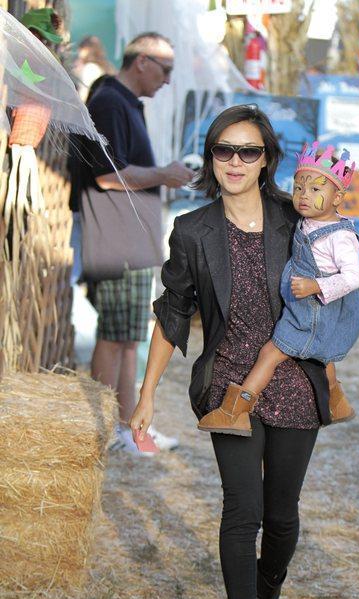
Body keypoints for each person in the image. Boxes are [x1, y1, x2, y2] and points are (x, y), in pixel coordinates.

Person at [130, 104, 333, 599]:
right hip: (229, 389)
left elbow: (341, 278)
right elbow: (173, 314)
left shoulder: (296, 222)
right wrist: (147, 395)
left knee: (282, 515)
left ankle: (269, 597)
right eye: (225, 150)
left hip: (293, 378)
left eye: (249, 151)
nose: (236, 162)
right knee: (241, 510)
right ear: (211, 157)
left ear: (267, 159)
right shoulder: (193, 230)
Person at [78, 32, 194, 454]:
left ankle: (127, 428)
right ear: (142, 61)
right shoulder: (109, 102)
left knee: (128, 338)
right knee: (115, 337)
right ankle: (103, 431)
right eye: (165, 70)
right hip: (115, 239)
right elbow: (108, 176)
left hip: (128, 239)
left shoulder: (122, 103)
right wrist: (163, 174)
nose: (167, 80)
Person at [197, 141, 359, 436]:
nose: (303, 196)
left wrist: (316, 285)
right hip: (305, 309)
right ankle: (337, 401)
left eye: (315, 190)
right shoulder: (308, 222)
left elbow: (354, 277)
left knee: (270, 354)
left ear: (338, 196)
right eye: (299, 187)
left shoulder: (339, 237)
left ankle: (236, 410)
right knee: (321, 355)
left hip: (312, 312)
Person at [73, 36, 116, 101]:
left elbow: (83, 96)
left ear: (86, 49)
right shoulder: (108, 67)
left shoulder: (90, 68)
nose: (78, 53)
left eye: (80, 49)